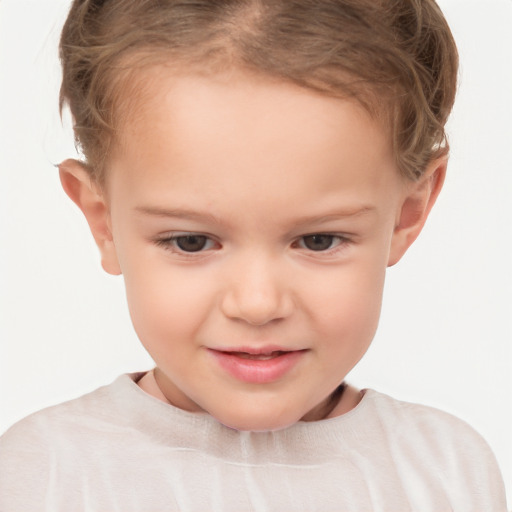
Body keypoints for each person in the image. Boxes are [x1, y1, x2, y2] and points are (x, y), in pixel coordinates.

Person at [0, 0, 507, 510]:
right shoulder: (43, 475)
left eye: (318, 240)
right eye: (191, 241)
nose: (258, 304)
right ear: (103, 219)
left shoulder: (448, 474)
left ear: (408, 212)